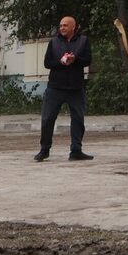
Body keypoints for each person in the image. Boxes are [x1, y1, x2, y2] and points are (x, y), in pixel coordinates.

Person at [35, 15, 93, 162]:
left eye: (65, 25)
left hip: (75, 88)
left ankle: (76, 151)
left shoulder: (83, 41)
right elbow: (47, 63)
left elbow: (87, 60)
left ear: (74, 27)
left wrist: (75, 60)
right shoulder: (54, 42)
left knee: (78, 119)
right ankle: (44, 150)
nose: (62, 28)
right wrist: (61, 62)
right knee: (47, 118)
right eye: (60, 25)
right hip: (55, 88)